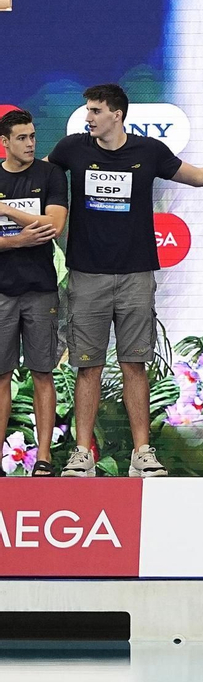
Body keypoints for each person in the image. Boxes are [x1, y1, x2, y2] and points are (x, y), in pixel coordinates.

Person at [47, 83, 203, 477]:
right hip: (86, 276)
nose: (88, 116)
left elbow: (199, 177)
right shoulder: (71, 148)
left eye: (94, 110)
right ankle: (82, 454)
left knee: (134, 364)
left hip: (137, 276)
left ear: (117, 115)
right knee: (87, 367)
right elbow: (34, 171)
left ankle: (142, 453)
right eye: (87, 110)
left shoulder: (148, 151)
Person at [0, 109, 67, 475]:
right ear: (5, 142)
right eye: (22, 138)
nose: (30, 143)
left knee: (43, 372)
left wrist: (7, 210)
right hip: (2, 291)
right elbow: (34, 230)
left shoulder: (50, 174)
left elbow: (54, 225)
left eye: (33, 136)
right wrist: (17, 242)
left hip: (41, 289)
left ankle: (43, 457)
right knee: (1, 375)